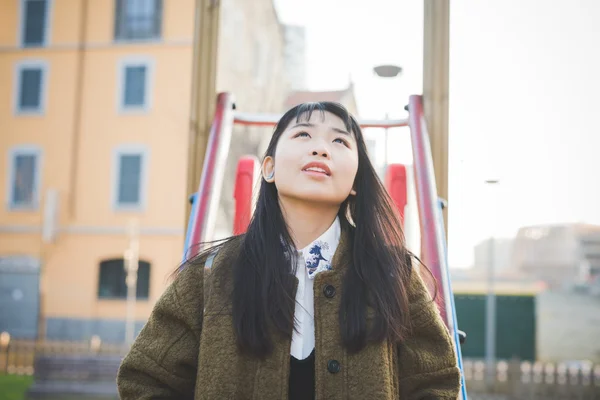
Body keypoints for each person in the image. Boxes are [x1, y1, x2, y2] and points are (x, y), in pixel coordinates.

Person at [117, 102, 461, 399]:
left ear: (356, 182)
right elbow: (146, 380)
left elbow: (437, 382)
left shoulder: (392, 273)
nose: (321, 148)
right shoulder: (209, 274)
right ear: (268, 168)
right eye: (303, 135)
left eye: (340, 140)